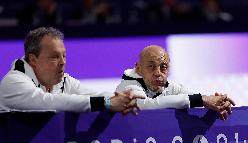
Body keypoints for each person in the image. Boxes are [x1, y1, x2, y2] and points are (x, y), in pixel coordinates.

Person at [0, 27, 142, 114]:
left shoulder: (63, 81)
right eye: (54, 57)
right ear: (33, 60)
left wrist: (125, 98)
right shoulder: (13, 82)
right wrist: (108, 103)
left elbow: (95, 94)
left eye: (64, 55)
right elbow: (48, 102)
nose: (63, 62)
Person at [116, 45, 235, 120]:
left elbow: (193, 96)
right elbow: (147, 105)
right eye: (151, 66)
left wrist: (217, 102)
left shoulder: (167, 86)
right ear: (138, 68)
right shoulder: (128, 84)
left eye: (163, 67)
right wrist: (201, 100)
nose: (158, 73)